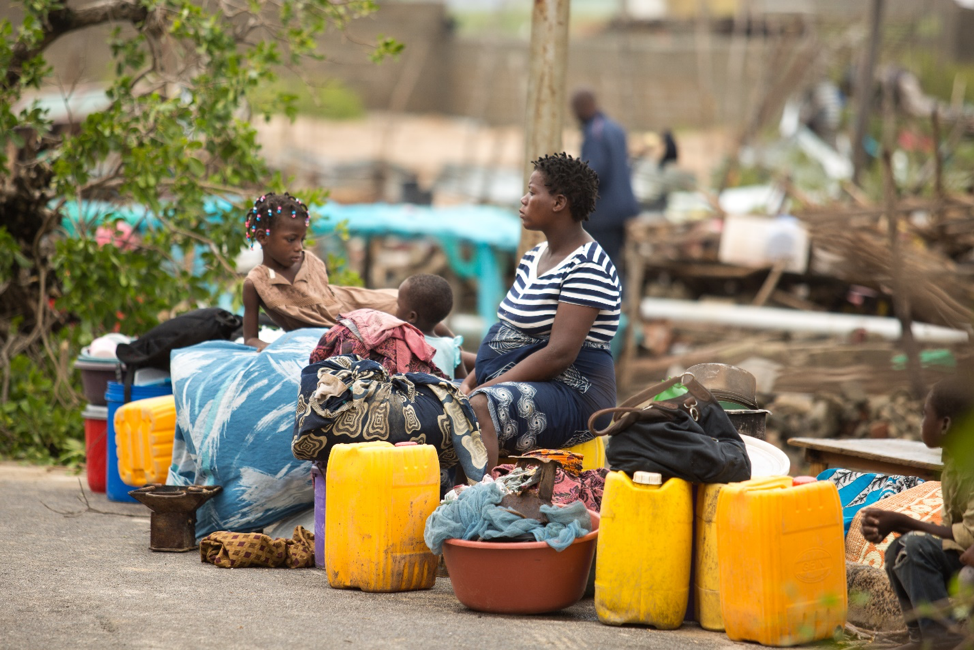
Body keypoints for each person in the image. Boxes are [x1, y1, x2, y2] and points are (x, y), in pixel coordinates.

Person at [460, 152, 621, 472]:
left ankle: (479, 496)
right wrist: (468, 383)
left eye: (533, 193)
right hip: (523, 380)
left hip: (576, 396)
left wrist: (482, 390)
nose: (523, 200)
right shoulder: (534, 256)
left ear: (559, 202)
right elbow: (507, 335)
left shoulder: (587, 267)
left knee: (481, 406)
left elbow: (559, 354)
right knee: (439, 392)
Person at [861, 376, 974, 650]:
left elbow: (968, 535)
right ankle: (921, 637)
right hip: (967, 555)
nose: (922, 423)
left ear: (945, 424)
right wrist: (895, 526)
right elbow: (952, 533)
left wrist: (903, 521)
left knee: (915, 547)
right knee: (899, 550)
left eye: (925, 415)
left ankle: (943, 639)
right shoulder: (954, 462)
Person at [241, 192, 398, 351]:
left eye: (301, 240)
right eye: (291, 240)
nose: (299, 247)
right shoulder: (255, 283)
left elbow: (332, 306)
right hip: (342, 329)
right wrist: (271, 347)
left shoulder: (310, 262)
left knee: (400, 302)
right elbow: (251, 339)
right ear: (262, 237)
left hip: (354, 308)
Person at [570, 88, 640, 277]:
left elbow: (593, 173)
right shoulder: (615, 128)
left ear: (582, 108)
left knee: (599, 267)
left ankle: (612, 296)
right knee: (613, 263)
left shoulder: (595, 133)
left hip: (603, 214)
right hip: (622, 209)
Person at [395, 274, 467, 379]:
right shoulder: (452, 347)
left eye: (398, 305)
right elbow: (462, 383)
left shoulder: (401, 341)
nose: (395, 309)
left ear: (412, 316)